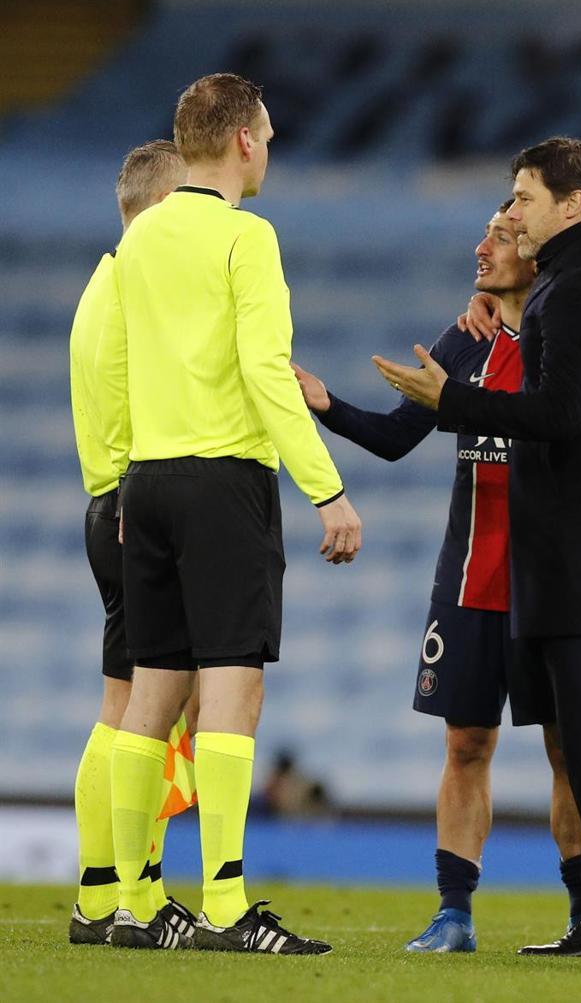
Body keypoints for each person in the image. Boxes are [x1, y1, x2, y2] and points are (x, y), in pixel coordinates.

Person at [372, 137, 581, 959]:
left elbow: (557, 413)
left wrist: (455, 397)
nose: (510, 213)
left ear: (572, 203)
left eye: (521, 197)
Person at [93, 73, 362, 953]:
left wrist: (126, 481)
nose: (272, 148)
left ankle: (133, 901)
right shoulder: (248, 238)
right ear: (243, 141)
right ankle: (225, 901)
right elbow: (265, 370)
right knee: (231, 694)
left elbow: (122, 370)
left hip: (149, 482)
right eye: (270, 135)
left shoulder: (139, 241)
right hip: (223, 483)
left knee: (152, 693)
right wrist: (327, 488)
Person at [293, 201, 581, 953]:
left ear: (536, 248)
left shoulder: (570, 337)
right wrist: (327, 406)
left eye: (499, 234)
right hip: (470, 578)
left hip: (552, 582)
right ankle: (453, 913)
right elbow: (397, 436)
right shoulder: (468, 337)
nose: (481, 246)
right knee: (465, 744)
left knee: (569, 749)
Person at [68, 140, 197, 946]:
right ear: (159, 206)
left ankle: (101, 890)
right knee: (145, 707)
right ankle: (129, 892)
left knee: (126, 703)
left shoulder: (101, 285)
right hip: (131, 506)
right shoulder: (138, 292)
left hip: (109, 502)